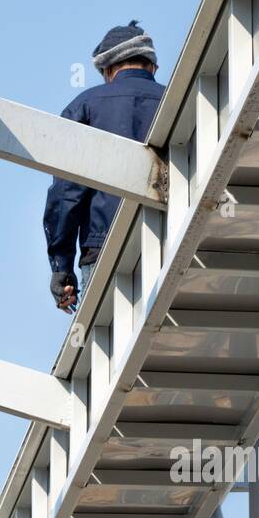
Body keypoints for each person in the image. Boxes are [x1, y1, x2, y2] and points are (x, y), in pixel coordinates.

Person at [44, 20, 164, 313]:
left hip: (104, 247)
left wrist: (62, 266)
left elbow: (66, 192)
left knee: (106, 351)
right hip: (174, 238)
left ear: (108, 70)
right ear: (152, 66)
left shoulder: (84, 106)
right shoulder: (179, 100)